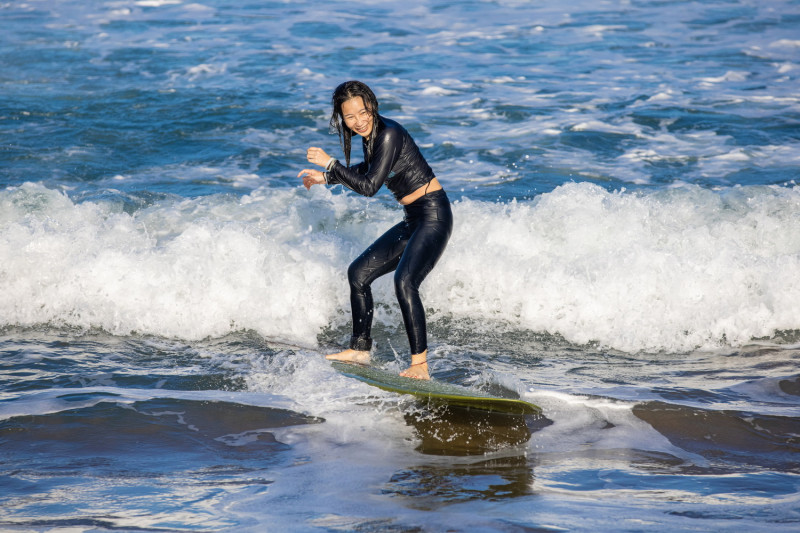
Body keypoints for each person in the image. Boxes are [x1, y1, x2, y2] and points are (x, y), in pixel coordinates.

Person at [297, 80, 453, 380]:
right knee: (358, 274)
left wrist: (330, 164)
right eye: (350, 117)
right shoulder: (373, 139)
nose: (359, 121)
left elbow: (369, 186)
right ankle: (359, 349)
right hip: (413, 218)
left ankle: (420, 364)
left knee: (405, 281)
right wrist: (326, 178)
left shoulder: (389, 133)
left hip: (434, 215)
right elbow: (367, 170)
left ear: (372, 106)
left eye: (363, 112)